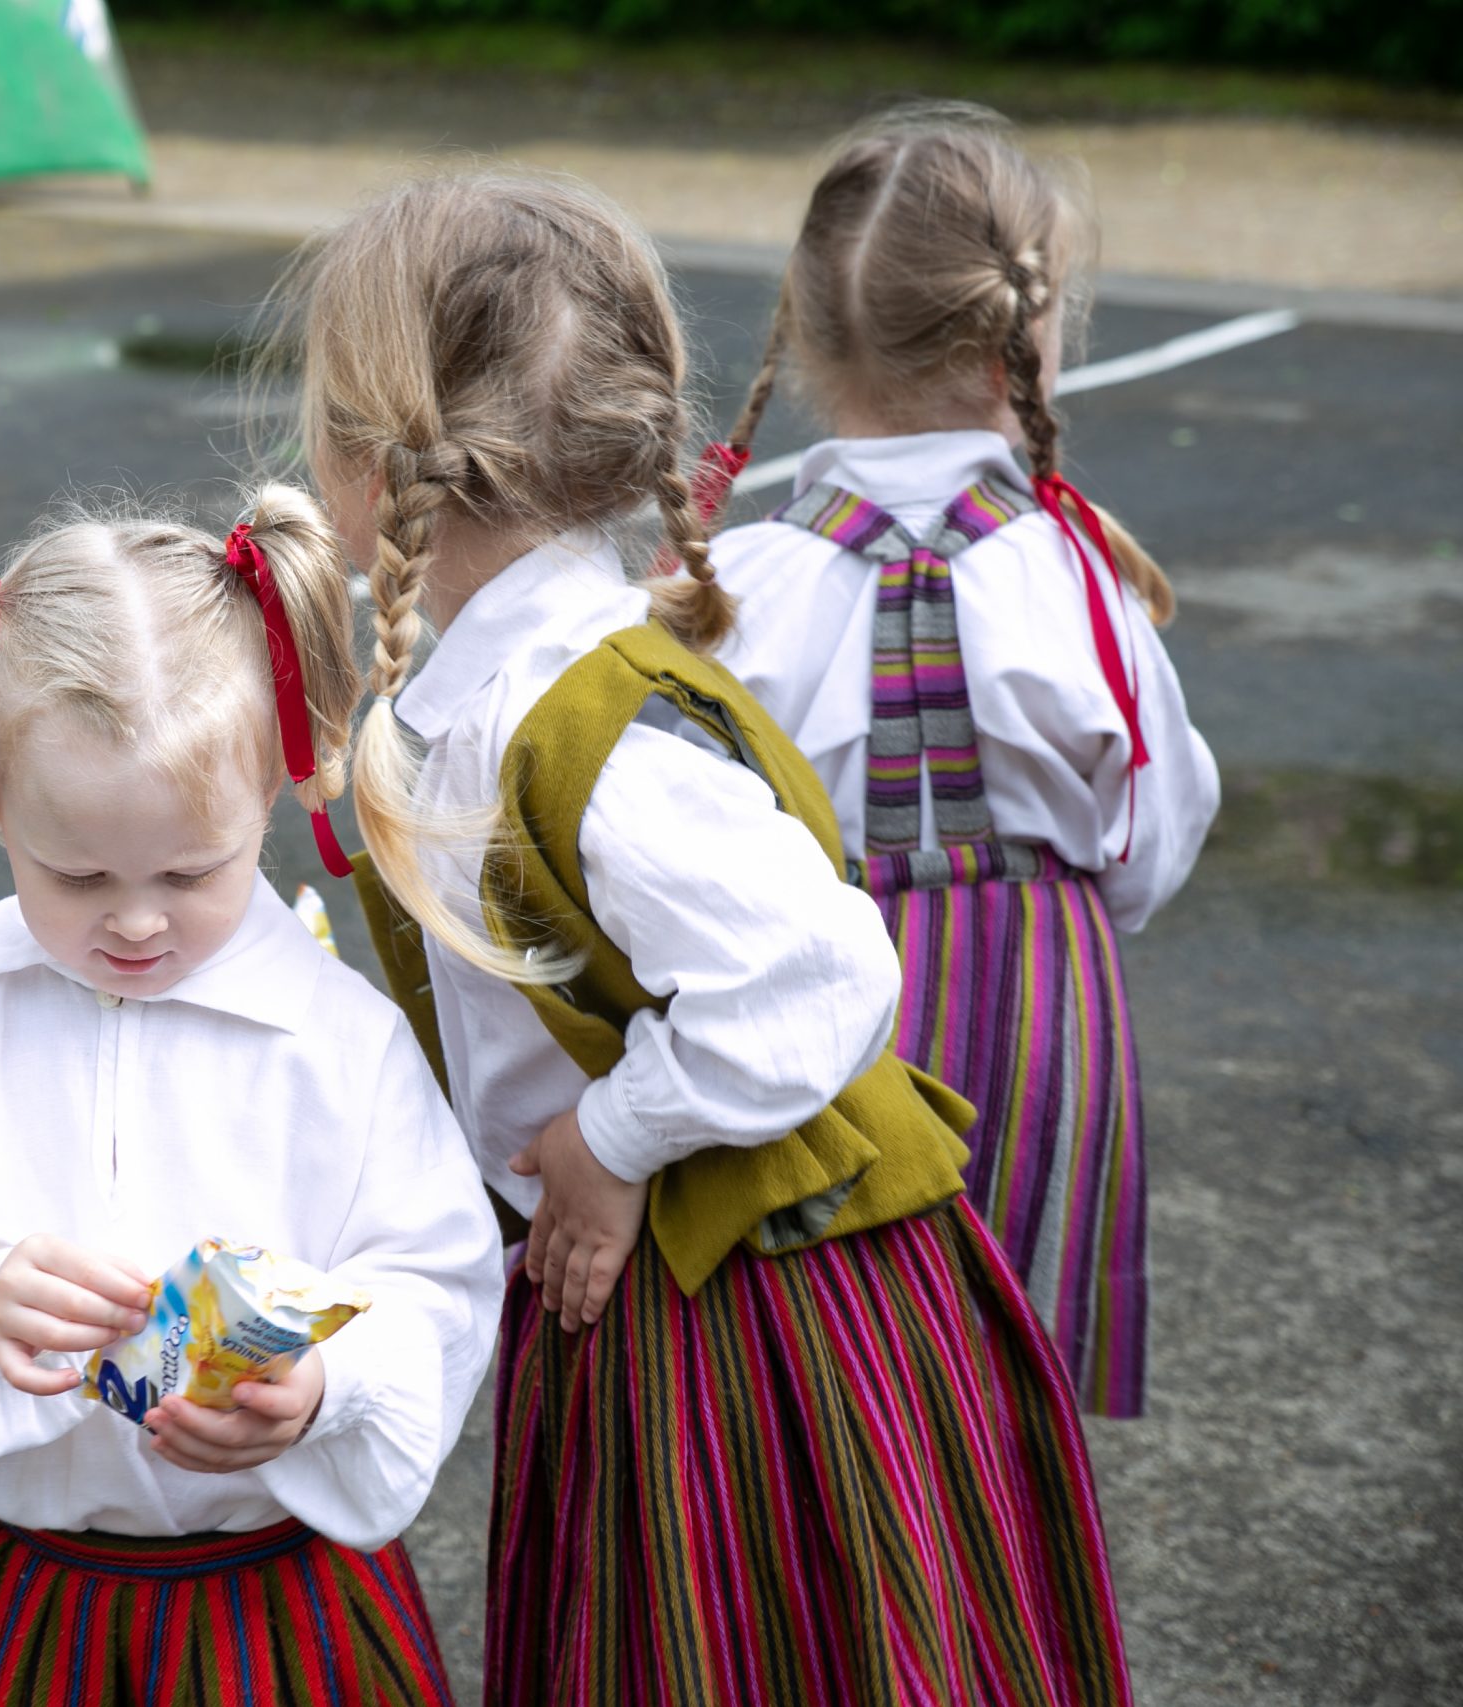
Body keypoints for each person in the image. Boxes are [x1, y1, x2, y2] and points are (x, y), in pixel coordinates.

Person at [270, 169, 1134, 1704]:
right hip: (668, 1286)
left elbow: (815, 971)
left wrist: (608, 1138)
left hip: (760, 1306)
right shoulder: (500, 684)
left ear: (366, 453)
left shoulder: (586, 722)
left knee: (758, 1642)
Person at [0, 488, 502, 1706]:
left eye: (189, 870)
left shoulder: (339, 1041)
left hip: (280, 1604)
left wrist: (328, 1387)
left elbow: (440, 1277)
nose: (136, 921)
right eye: (76, 875)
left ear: (271, 783)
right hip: (20, 1599)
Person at [707, 103, 1222, 1417]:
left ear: (804, 334)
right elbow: (1152, 837)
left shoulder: (738, 588)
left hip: (812, 1026)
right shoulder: (1079, 577)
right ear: (1031, 338)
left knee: (847, 1376)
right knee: (1008, 1376)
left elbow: (686, 849)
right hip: (1043, 1014)